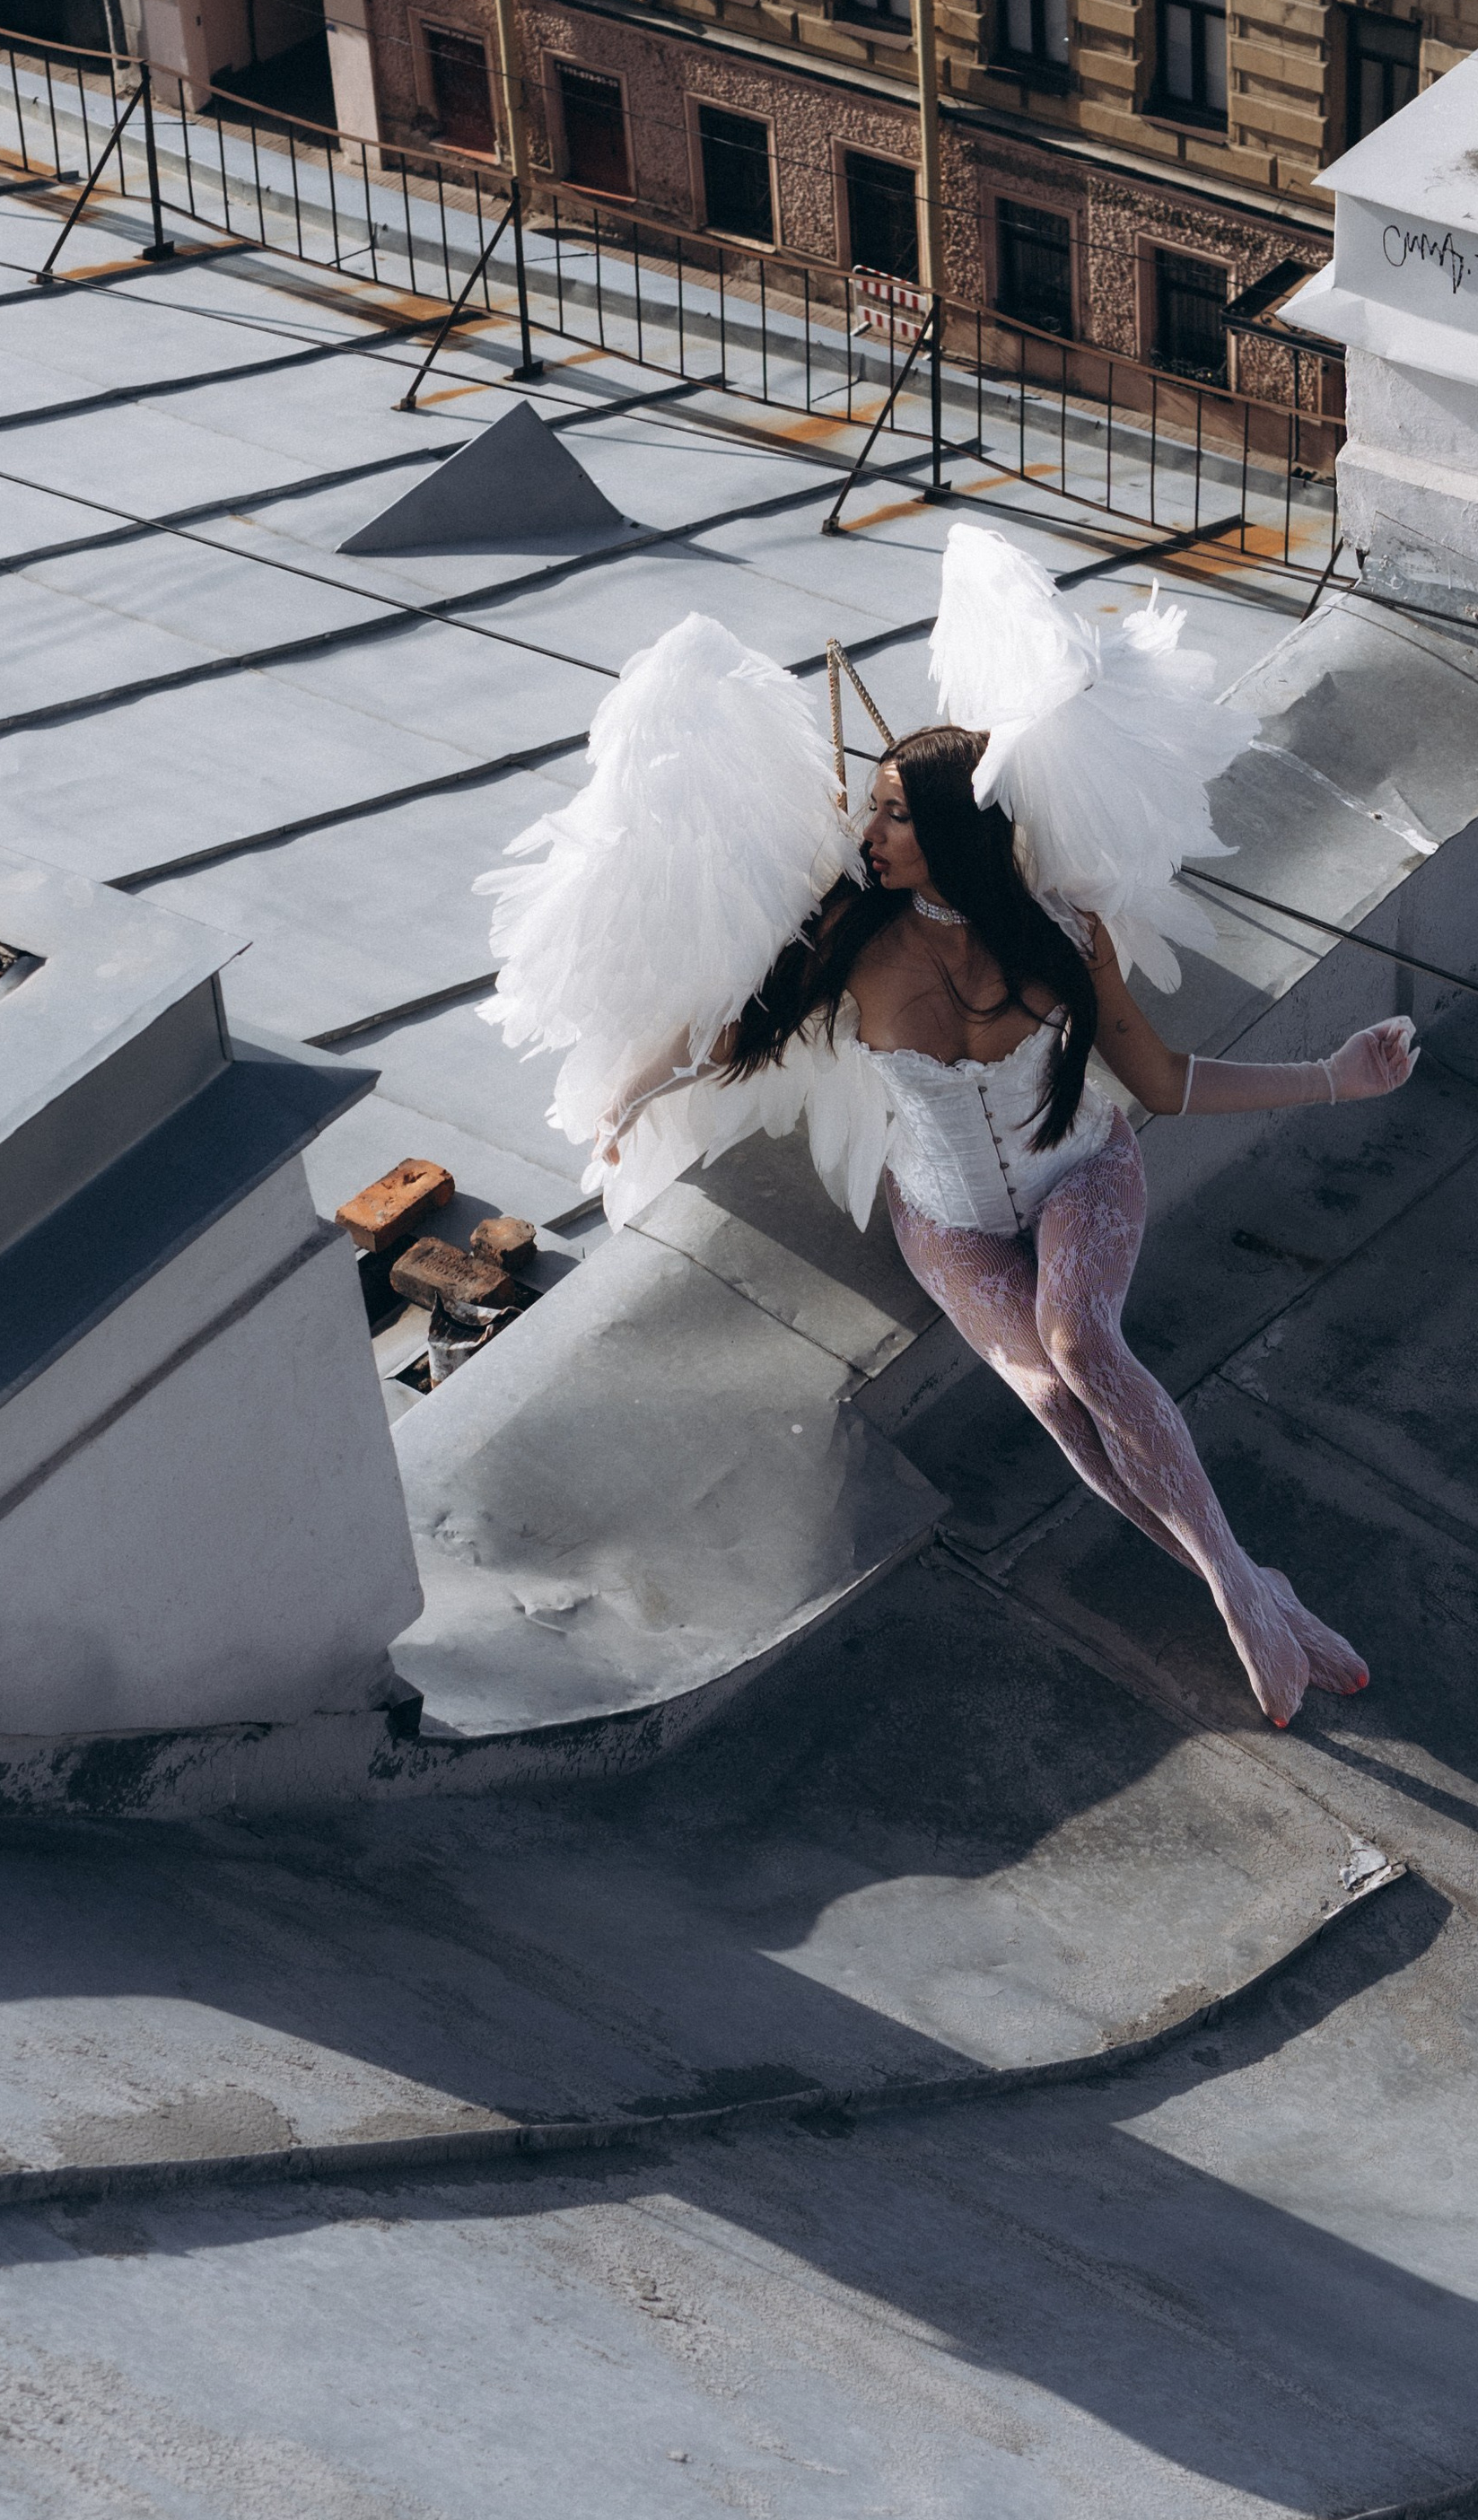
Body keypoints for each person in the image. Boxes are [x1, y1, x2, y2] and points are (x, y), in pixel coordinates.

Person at [482, 522, 1416, 1729]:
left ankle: (1240, 1599)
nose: (865, 839)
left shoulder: (1062, 928)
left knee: (1085, 1346)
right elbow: (726, 1029)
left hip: (1085, 1174)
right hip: (949, 1223)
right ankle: (1249, 1584)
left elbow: (1167, 1083)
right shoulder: (848, 945)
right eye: (868, 816)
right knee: (1048, 1390)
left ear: (951, 828)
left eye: (890, 816)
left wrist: (1335, 1078)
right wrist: (628, 1098)